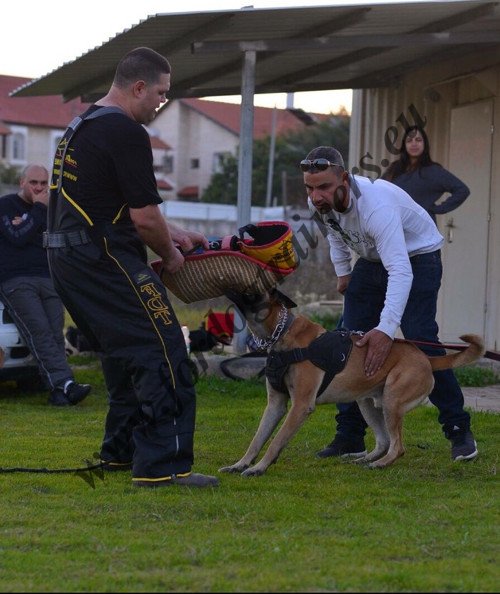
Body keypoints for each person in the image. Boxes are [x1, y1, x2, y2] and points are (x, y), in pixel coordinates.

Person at [44, 47, 219, 488]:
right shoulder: (125, 130)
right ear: (138, 86)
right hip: (103, 257)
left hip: (68, 257)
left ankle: (120, 453)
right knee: (163, 350)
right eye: (160, 93)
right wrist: (174, 257)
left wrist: (173, 230)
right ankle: (163, 466)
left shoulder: (84, 124)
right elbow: (142, 218)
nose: (162, 102)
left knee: (125, 356)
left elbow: (114, 205)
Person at [301, 146, 478, 463]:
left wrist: (384, 330)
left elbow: (400, 271)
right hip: (371, 263)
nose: (316, 196)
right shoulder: (319, 201)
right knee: (348, 341)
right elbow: (336, 235)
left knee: (421, 337)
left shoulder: (376, 207)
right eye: (310, 188)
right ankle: (350, 437)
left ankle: (458, 430)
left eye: (323, 187)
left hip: (418, 258)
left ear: (344, 178)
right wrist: (343, 273)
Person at [0, 164, 91, 406]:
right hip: (16, 280)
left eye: (43, 183)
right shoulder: (6, 206)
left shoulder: (53, 210)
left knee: (54, 334)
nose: (40, 188)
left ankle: (58, 393)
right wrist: (38, 212)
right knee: (39, 332)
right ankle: (67, 384)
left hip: (48, 277)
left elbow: (55, 239)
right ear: (22, 182)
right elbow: (17, 238)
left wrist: (28, 222)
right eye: (34, 183)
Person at [382, 125, 470, 224]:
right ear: (404, 145)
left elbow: (462, 190)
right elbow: (379, 190)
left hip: (423, 232)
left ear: (425, 144)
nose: (414, 144)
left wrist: (439, 209)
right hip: (395, 227)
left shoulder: (434, 171)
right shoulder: (394, 169)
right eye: (409, 141)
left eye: (418, 140)